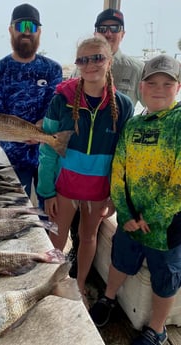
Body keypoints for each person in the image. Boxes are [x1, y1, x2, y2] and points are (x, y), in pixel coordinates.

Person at [90, 54, 181, 345]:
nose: (159, 88)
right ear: (141, 87)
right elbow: (119, 170)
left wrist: (147, 218)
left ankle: (157, 329)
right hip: (130, 220)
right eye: (152, 82)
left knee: (164, 278)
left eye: (168, 83)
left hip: (167, 225)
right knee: (120, 260)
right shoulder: (131, 126)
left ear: (178, 88)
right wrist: (126, 213)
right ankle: (108, 298)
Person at [37, 35, 134, 306]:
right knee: (56, 237)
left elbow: (123, 158)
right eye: (83, 59)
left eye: (97, 58)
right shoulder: (61, 99)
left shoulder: (124, 105)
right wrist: (46, 191)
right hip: (64, 187)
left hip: (98, 191)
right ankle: (50, 284)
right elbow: (47, 147)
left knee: (88, 237)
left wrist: (116, 196)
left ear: (109, 61)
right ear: (77, 64)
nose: (90, 64)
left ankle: (78, 285)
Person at [68, 8, 144, 278]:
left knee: (92, 226)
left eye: (115, 28)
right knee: (75, 224)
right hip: (78, 163)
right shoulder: (86, 65)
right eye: (103, 28)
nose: (109, 32)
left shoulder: (137, 68)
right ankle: (74, 262)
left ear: (123, 33)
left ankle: (83, 274)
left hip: (111, 161)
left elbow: (150, 110)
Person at [0, 3, 62, 203]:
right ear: (10, 30)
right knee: (17, 219)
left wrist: (40, 128)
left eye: (33, 27)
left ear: (40, 33)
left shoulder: (52, 69)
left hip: (48, 158)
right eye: (21, 26)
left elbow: (53, 110)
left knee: (50, 217)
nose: (27, 32)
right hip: (11, 162)